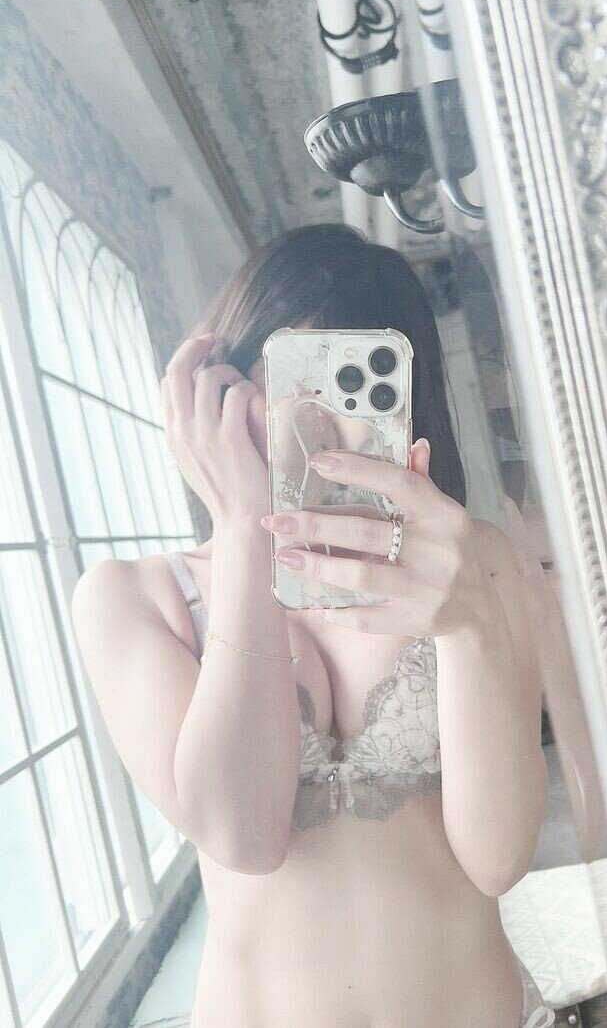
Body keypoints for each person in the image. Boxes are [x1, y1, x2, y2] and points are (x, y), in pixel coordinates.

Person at [72, 224, 551, 1027]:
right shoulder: (132, 597)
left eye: (352, 384)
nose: (318, 422)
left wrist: (467, 624)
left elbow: (499, 857)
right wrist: (243, 527)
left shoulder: (471, 562)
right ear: (218, 389)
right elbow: (244, 834)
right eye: (292, 378)